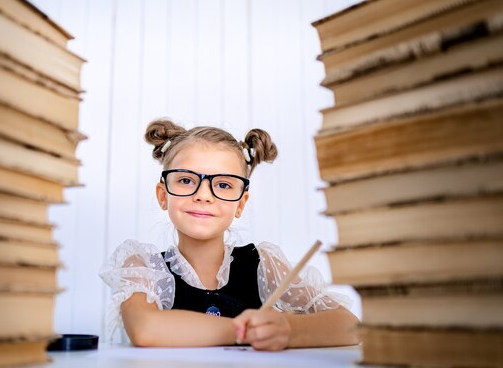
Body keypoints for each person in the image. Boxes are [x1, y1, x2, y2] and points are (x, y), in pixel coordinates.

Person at [99, 119, 359, 350]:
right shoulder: (142, 266)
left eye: (223, 185)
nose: (203, 195)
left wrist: (288, 330)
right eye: (186, 180)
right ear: (163, 196)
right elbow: (146, 330)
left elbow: (349, 325)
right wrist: (244, 330)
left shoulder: (263, 264)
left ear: (241, 204)